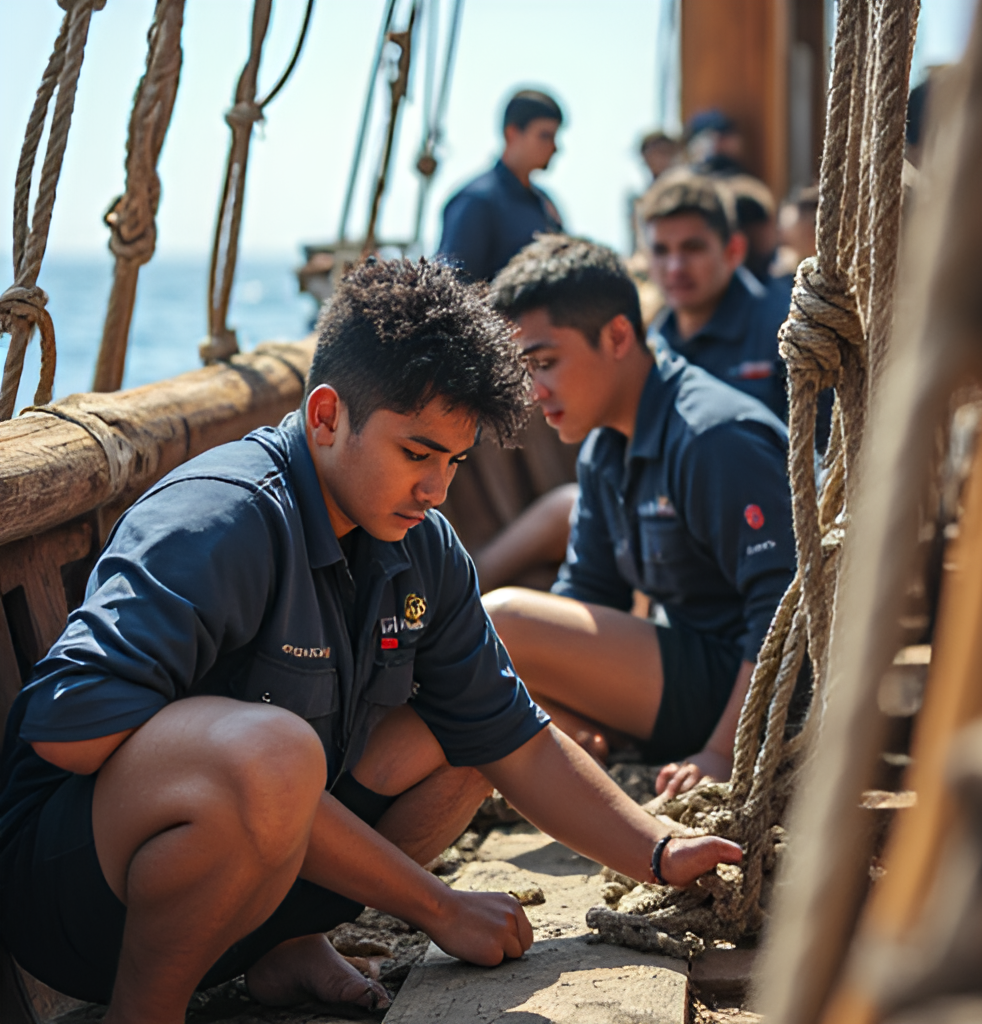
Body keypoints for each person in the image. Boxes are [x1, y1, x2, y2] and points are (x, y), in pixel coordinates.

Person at [0, 259, 742, 1024]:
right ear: (325, 417)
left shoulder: (423, 543)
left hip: (245, 882)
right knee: (276, 756)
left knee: (465, 741)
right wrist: (438, 906)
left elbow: (514, 739)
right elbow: (67, 730)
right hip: (74, 902)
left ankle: (281, 944)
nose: (437, 488)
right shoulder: (217, 523)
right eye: (416, 453)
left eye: (455, 461)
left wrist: (658, 852)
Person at [484, 236, 796, 800]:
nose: (534, 392)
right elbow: (587, 597)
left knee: (500, 620)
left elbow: (782, 610)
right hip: (680, 678)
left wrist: (725, 751)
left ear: (618, 336)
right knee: (468, 665)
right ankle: (588, 745)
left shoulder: (712, 438)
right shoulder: (605, 448)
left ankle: (582, 754)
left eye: (546, 362)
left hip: (753, 693)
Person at [642, 170, 792, 428]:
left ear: (734, 250)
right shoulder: (646, 348)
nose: (675, 267)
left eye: (693, 248)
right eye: (661, 250)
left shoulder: (786, 331)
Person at [436, 89, 564, 282]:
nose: (555, 147)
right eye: (545, 135)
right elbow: (451, 287)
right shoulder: (476, 202)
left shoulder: (544, 203)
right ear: (512, 133)